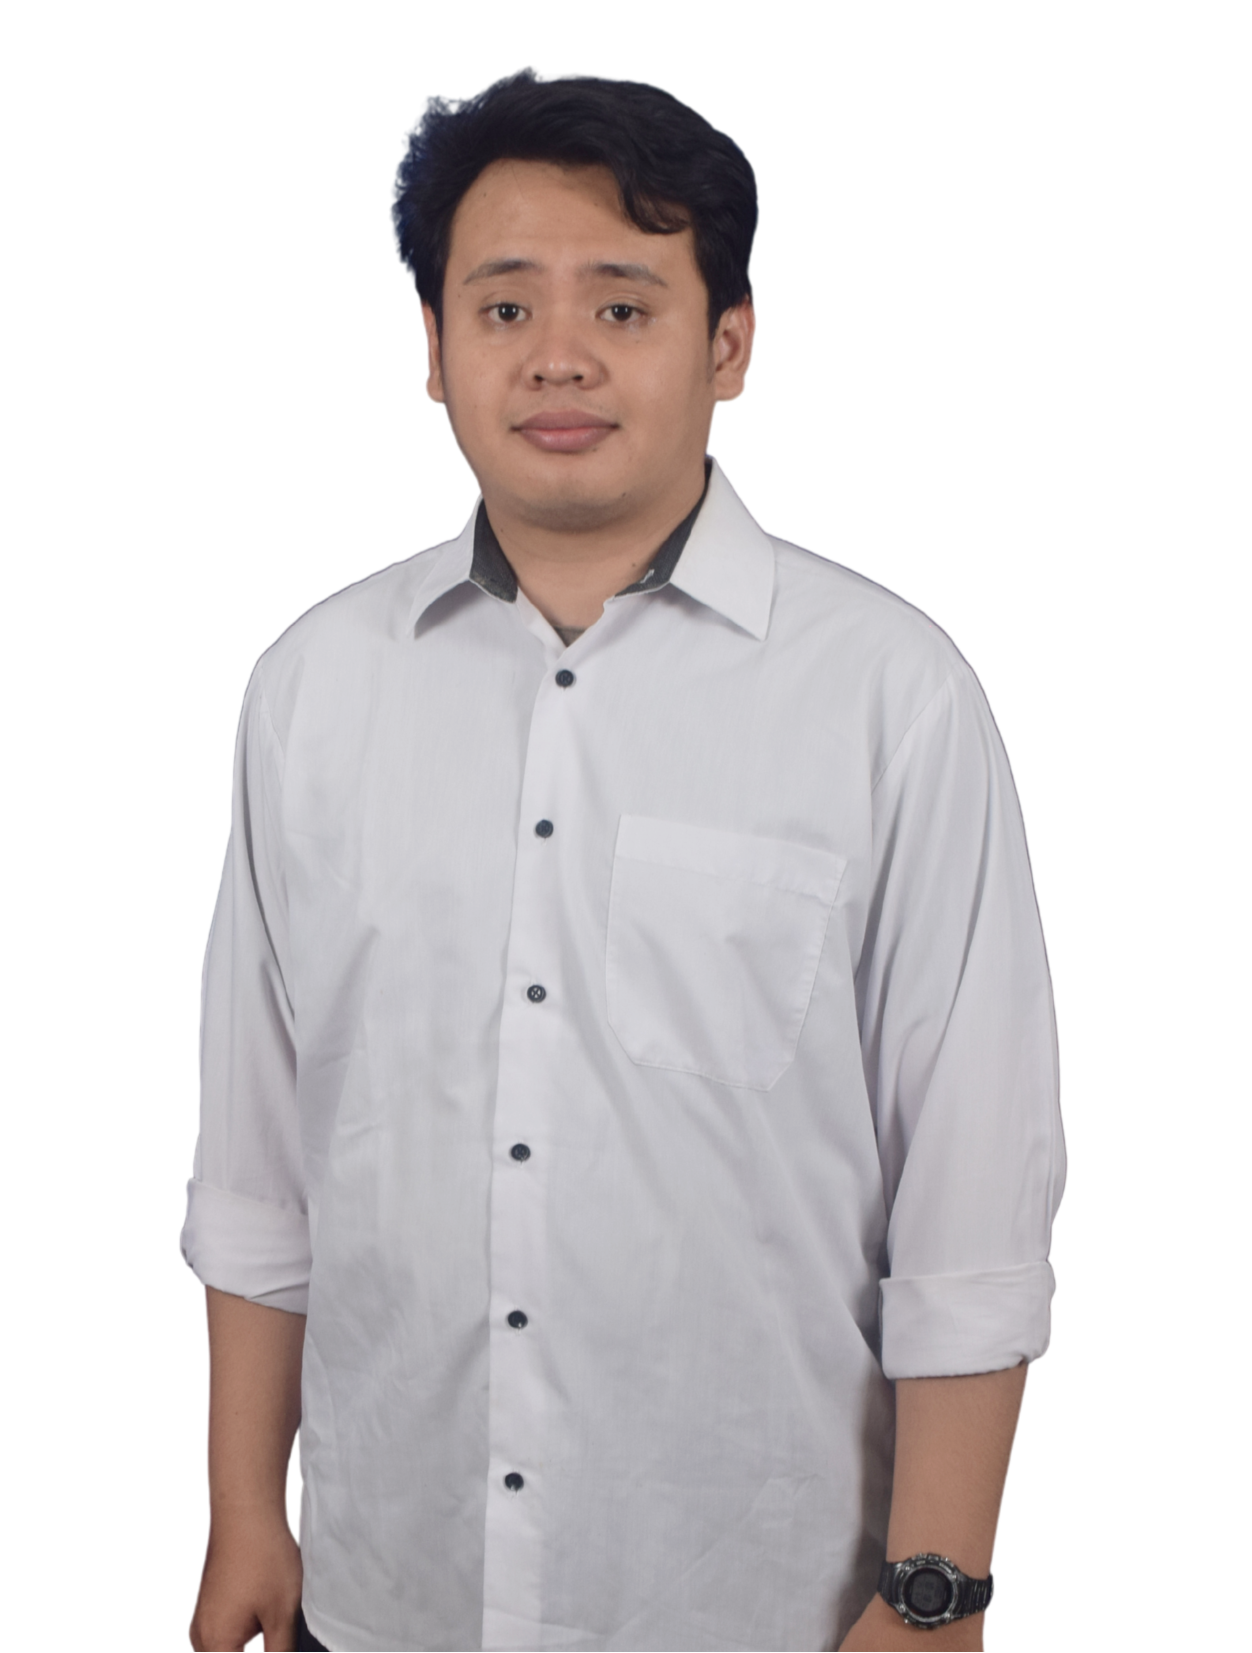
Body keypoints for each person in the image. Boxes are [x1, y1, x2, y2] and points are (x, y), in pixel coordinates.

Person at [179, 65, 1067, 1653]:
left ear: (729, 346)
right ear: (433, 348)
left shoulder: (890, 698)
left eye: (623, 304)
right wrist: (248, 1511)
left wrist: (937, 1596)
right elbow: (261, 1163)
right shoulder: (312, 690)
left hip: (763, 1612)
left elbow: (973, 1194)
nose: (559, 356)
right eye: (503, 307)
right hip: (384, 1603)